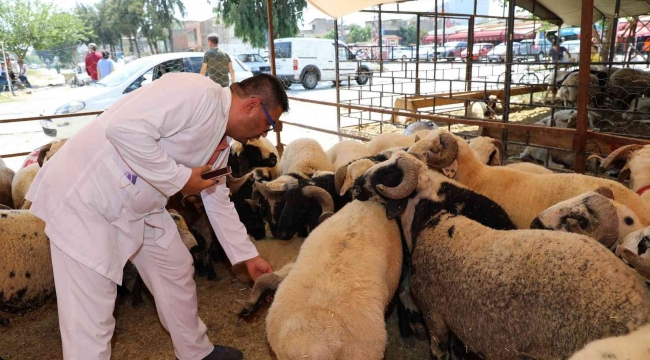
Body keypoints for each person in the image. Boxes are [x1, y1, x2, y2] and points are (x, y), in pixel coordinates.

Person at [26, 73, 288, 360]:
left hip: (140, 204)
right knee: (90, 315)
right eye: (269, 123)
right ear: (252, 105)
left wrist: (247, 256)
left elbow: (216, 197)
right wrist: (179, 178)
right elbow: (121, 127)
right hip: (89, 200)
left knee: (174, 268)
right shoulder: (195, 92)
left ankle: (195, 352)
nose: (265, 134)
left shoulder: (221, 142)